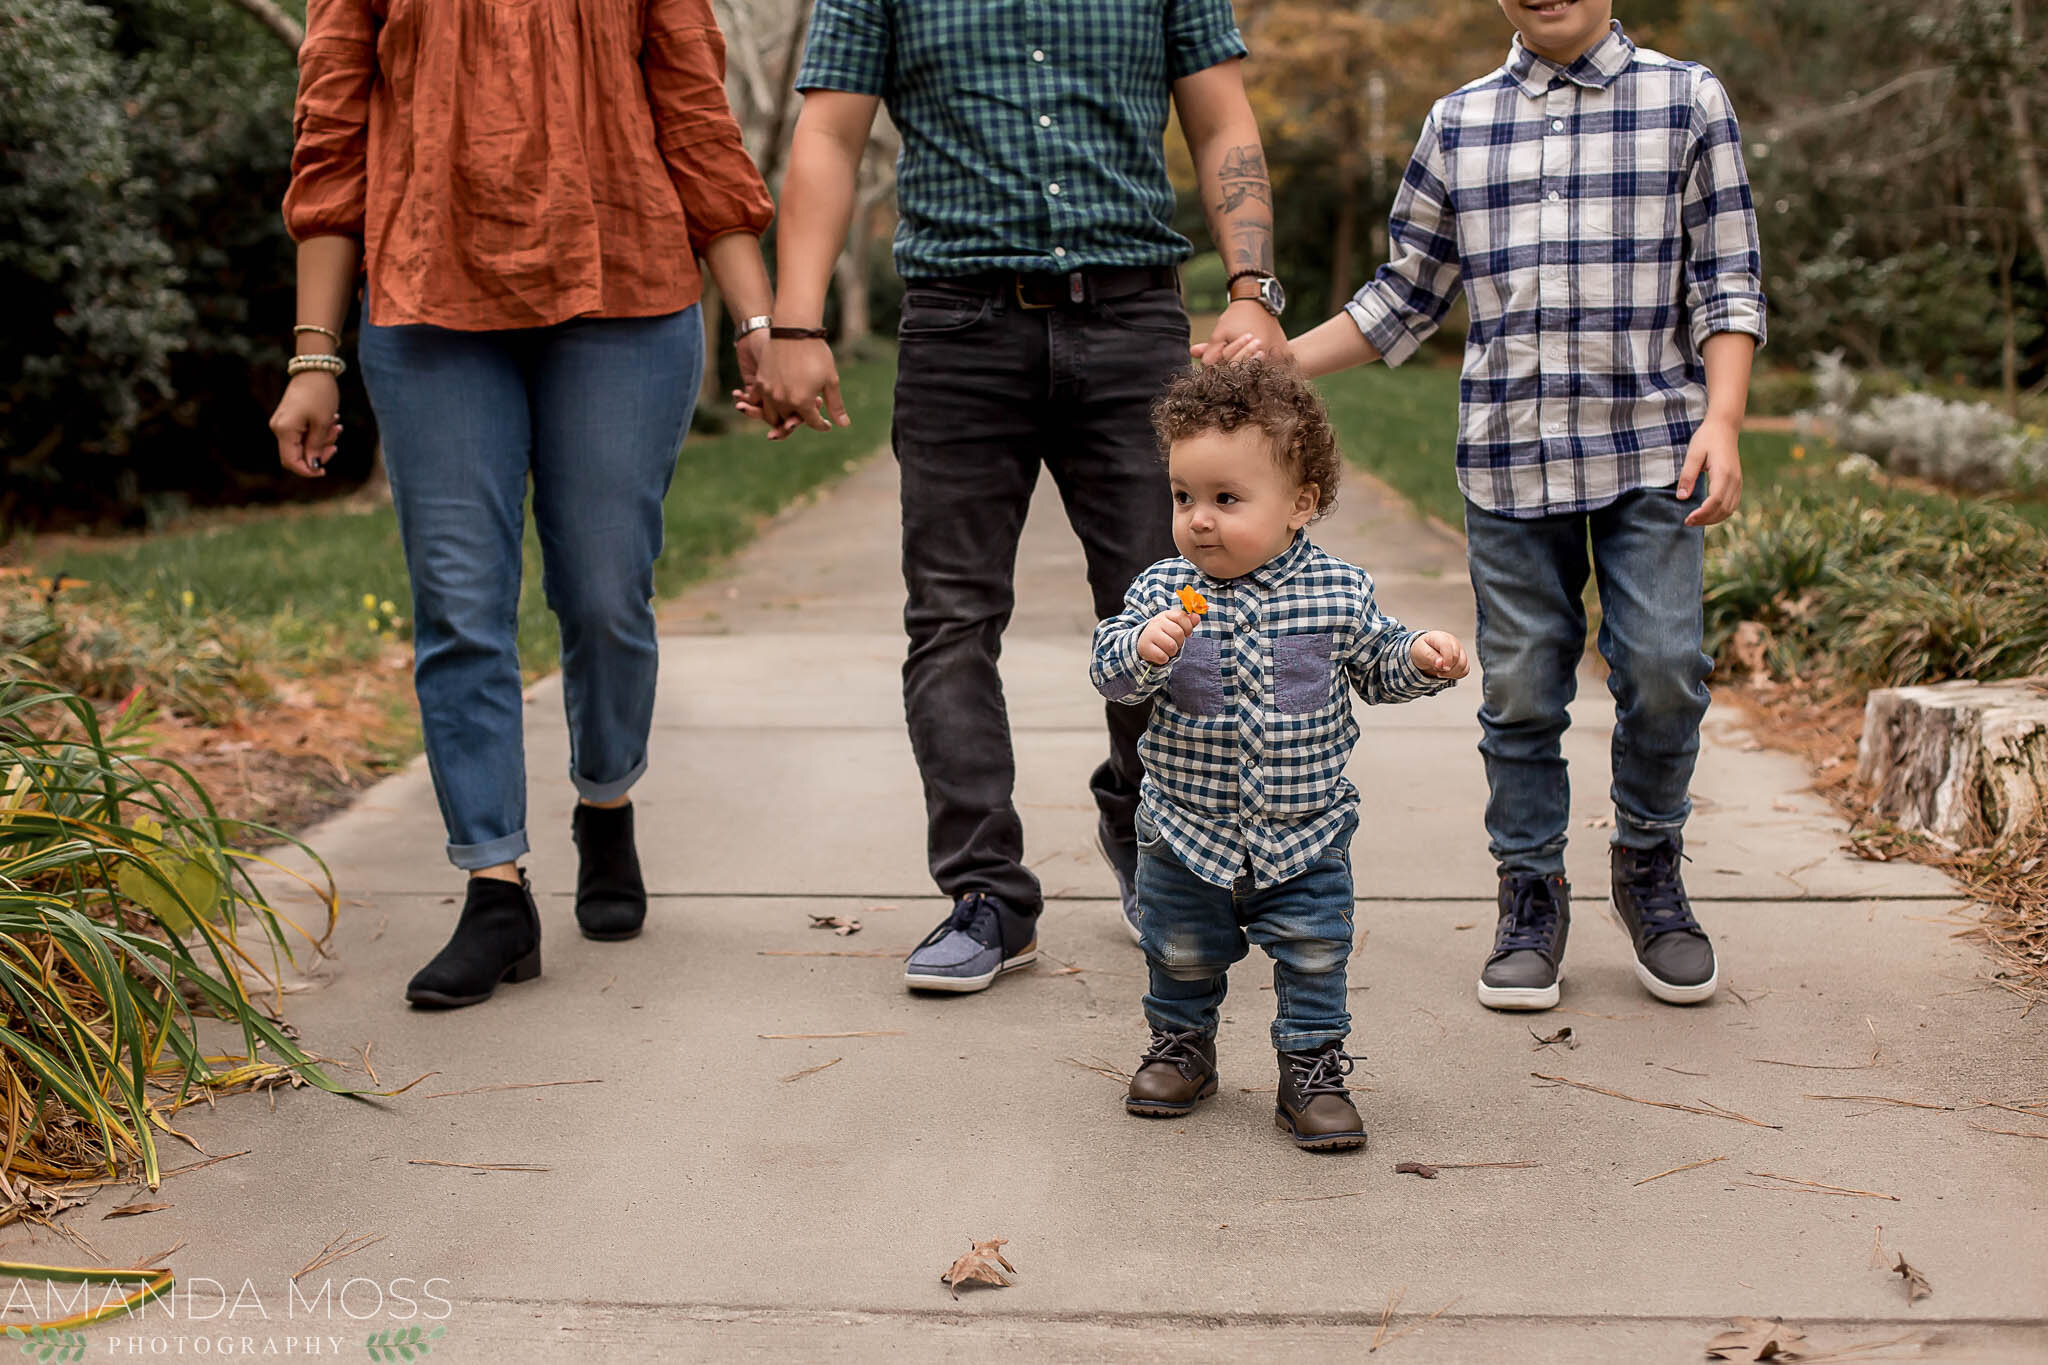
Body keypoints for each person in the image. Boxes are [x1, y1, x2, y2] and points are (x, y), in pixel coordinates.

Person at [750, 0, 1294, 995]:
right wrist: (795, 320)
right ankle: (984, 896)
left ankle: (1153, 838)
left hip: (1131, 317)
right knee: (951, 619)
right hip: (958, 330)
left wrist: (1253, 288)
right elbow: (829, 131)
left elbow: (1221, 120)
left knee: (1170, 602)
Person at [270, 0, 777, 1009]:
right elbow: (330, 145)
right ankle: (493, 889)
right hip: (429, 306)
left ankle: (606, 800)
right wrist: (314, 354)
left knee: (603, 590)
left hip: (625, 296)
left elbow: (694, 121)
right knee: (459, 604)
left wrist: (760, 320)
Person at [1272, 2, 1766, 1012]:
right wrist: (1274, 361)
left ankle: (1648, 870)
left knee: (1664, 669)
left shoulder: (1686, 100)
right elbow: (1401, 299)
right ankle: (1529, 890)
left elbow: (1725, 280)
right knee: (1524, 689)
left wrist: (1722, 417)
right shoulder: (1457, 121)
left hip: (1651, 453)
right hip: (1508, 463)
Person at [1089, 360, 1467, 1150]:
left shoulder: (1337, 591)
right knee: (1180, 954)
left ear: (1302, 504)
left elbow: (1376, 662)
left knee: (1314, 955)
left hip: (1304, 832)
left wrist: (1421, 660)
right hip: (1188, 830)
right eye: (1184, 496)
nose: (1198, 519)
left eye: (1227, 500)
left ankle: (1312, 1068)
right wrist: (1144, 651)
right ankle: (1182, 1046)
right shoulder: (1162, 590)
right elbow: (1112, 673)